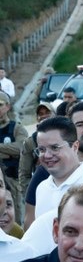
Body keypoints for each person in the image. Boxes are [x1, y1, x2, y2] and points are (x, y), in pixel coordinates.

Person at [33, 117, 83, 220]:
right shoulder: (42, 188)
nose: (47, 155)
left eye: (55, 148)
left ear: (75, 146)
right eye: (42, 149)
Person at [0, 92, 28, 223]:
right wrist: (9, 151)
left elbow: (21, 148)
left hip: (13, 180)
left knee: (15, 216)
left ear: (7, 106)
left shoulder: (16, 128)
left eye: (0, 105)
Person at [19, 102, 55, 194]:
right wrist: (32, 194)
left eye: (47, 112)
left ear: (55, 114)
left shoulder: (66, 136)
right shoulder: (30, 142)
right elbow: (24, 174)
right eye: (40, 114)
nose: (44, 116)